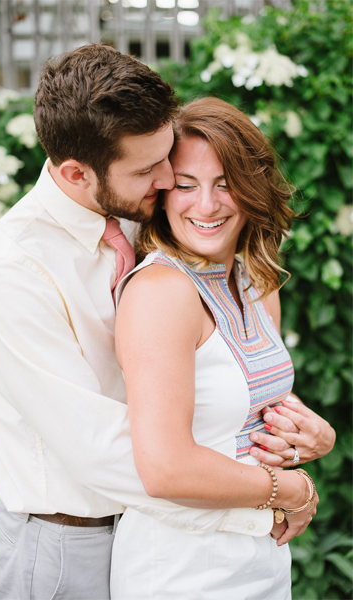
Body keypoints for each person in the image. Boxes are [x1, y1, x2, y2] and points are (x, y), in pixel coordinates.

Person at [0, 43, 335, 599]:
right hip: (68, 540)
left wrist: (304, 435)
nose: (168, 179)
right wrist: (276, 491)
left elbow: (219, 381)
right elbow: (107, 450)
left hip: (171, 526)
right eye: (151, 169)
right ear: (75, 173)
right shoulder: (12, 269)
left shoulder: (143, 218)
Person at [109, 97, 328, 598]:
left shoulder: (256, 280)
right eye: (186, 186)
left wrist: (318, 436)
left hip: (262, 555)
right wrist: (289, 489)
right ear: (162, 193)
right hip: (183, 565)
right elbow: (165, 467)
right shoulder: (161, 292)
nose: (206, 205)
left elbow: (253, 408)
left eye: (225, 184)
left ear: (252, 190)